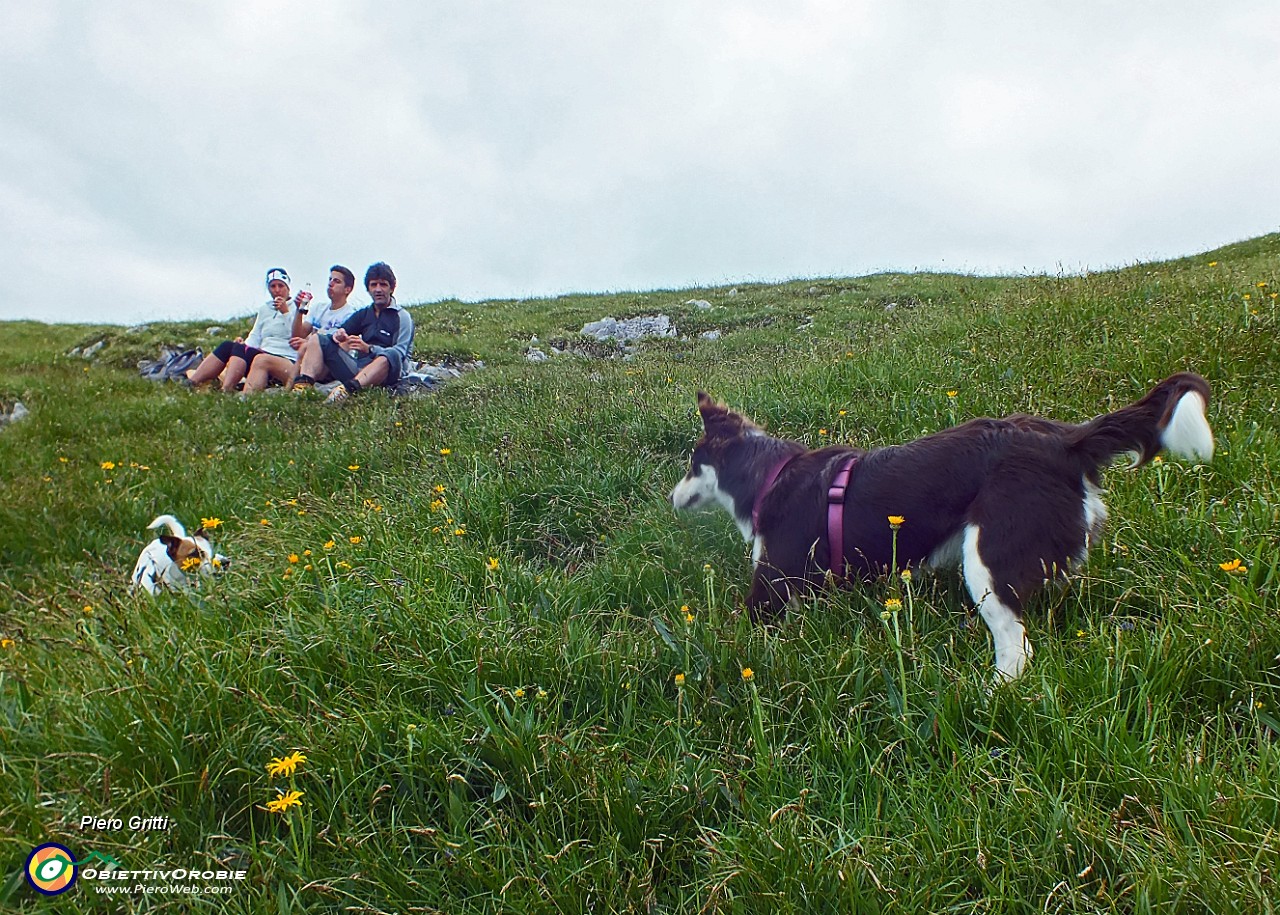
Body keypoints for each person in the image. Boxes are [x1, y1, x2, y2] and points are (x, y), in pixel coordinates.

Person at [292, 262, 415, 403]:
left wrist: (369, 348)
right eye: (374, 285)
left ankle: (348, 390)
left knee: (390, 354)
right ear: (368, 289)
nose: (378, 290)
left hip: (390, 373)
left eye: (383, 285)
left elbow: (400, 354)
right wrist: (338, 335)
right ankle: (303, 386)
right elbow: (339, 332)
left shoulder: (402, 316)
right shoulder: (364, 314)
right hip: (360, 369)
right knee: (317, 339)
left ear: (392, 288)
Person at [186, 268, 299, 392]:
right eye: (273, 286)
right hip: (263, 352)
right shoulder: (265, 309)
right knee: (228, 346)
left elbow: (298, 334)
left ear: (288, 287)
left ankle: (227, 388)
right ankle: (192, 382)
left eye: (280, 286)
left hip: (285, 359)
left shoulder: (297, 309)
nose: (277, 290)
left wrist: (285, 313)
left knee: (245, 352)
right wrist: (244, 345)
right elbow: (256, 335)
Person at [285, 265, 359, 390]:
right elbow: (297, 335)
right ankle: (291, 389)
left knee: (306, 346)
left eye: (336, 281)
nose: (331, 284)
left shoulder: (351, 314)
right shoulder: (319, 308)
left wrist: (310, 343)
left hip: (335, 361)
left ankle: (296, 388)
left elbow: (346, 346)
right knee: (304, 347)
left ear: (347, 289)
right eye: (330, 280)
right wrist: (299, 310)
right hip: (311, 357)